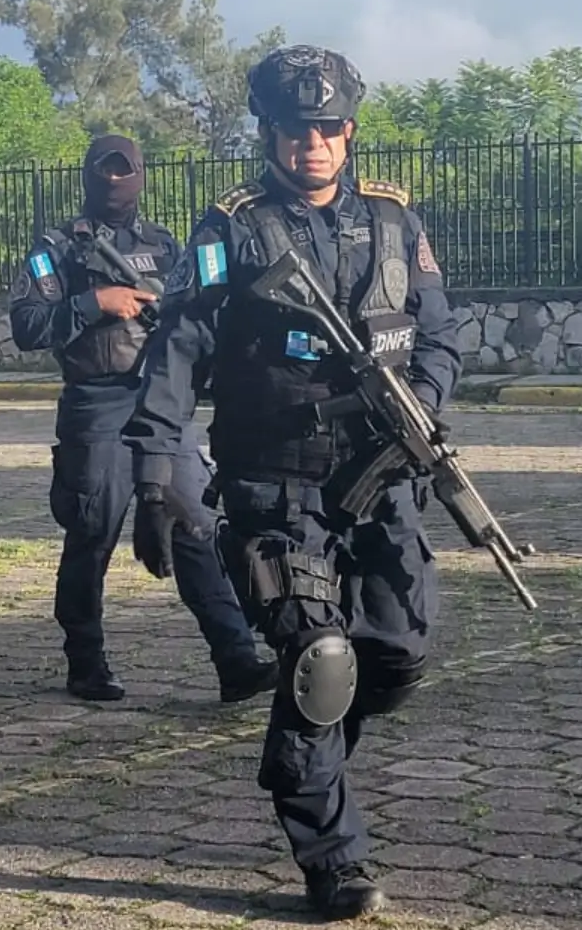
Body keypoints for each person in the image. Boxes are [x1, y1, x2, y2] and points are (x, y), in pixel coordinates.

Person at [122, 44, 461, 920]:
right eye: (294, 128)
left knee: (395, 657)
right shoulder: (228, 229)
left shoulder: (395, 222)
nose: (313, 143)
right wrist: (157, 471)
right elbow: (177, 350)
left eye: (328, 128)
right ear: (267, 133)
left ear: (349, 133)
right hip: (276, 486)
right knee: (320, 656)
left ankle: (299, 753)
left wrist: (421, 403)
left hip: (383, 478)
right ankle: (333, 857)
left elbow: (439, 336)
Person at [9, 135, 275, 704]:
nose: (114, 182)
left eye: (123, 171)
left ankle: (235, 659)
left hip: (160, 402)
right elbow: (28, 326)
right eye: (103, 172)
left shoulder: (164, 244)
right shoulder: (55, 247)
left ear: (140, 177)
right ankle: (86, 661)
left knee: (196, 526)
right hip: (96, 403)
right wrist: (94, 304)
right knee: (93, 532)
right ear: (86, 177)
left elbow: (200, 313)